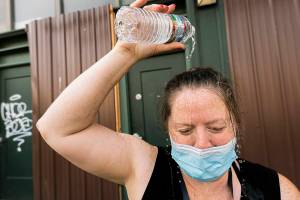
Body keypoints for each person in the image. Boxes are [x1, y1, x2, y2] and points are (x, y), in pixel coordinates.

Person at [36, 0, 300, 199]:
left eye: (216, 128)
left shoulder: (276, 189)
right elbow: (57, 129)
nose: (202, 144)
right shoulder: (144, 167)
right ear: (169, 131)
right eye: (185, 130)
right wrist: (124, 54)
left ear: (235, 125)